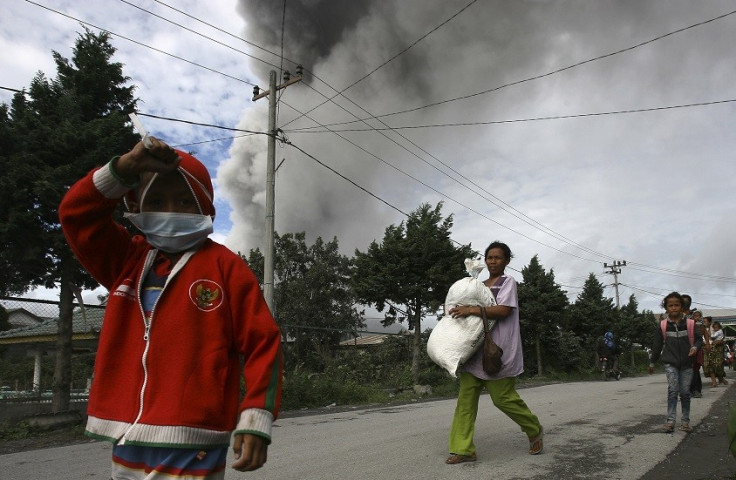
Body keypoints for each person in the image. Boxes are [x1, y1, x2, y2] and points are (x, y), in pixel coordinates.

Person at [59, 138, 284, 479]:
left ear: (206, 207)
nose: (170, 211)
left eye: (183, 201)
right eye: (158, 201)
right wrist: (125, 168)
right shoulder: (127, 259)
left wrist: (255, 417)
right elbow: (77, 215)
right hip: (126, 432)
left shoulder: (226, 267)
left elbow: (262, 344)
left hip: (193, 436)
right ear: (138, 205)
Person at [444, 241, 543, 464]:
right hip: (474, 352)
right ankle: (463, 449)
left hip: (496, 351)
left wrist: (471, 309)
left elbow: (503, 310)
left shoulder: (508, 282)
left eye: (498, 258)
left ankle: (533, 428)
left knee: (503, 399)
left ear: (506, 261)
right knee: (465, 401)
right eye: (489, 258)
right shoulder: (477, 285)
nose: (493, 261)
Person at [649, 292, 703, 433]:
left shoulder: (690, 324)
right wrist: (652, 362)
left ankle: (685, 421)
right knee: (673, 390)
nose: (674, 308)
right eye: (670, 305)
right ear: (666, 308)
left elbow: (699, 339)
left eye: (676, 305)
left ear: (682, 306)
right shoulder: (663, 325)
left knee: (685, 392)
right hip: (670, 363)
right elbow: (657, 345)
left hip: (687, 364)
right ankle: (671, 421)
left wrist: (695, 348)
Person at [706, 321, 728, 387]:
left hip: (718, 350)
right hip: (710, 349)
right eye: (714, 327)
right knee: (710, 365)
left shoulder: (719, 331)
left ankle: (721, 379)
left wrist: (709, 334)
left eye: (716, 327)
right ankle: (714, 382)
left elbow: (713, 337)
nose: (715, 329)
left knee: (718, 365)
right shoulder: (707, 328)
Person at [690, 310, 705, 398]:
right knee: (689, 370)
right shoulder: (688, 323)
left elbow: (704, 335)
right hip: (688, 348)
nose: (697, 317)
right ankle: (691, 390)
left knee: (695, 369)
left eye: (698, 315)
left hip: (697, 348)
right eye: (695, 315)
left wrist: (707, 344)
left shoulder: (700, 325)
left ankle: (696, 390)